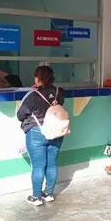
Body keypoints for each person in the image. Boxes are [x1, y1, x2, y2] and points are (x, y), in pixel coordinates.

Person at [16, 65, 65, 206]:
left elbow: (20, 115)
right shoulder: (59, 92)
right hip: (56, 132)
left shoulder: (32, 95)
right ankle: (49, 194)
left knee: (38, 166)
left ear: (37, 78)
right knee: (52, 164)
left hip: (36, 132)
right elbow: (58, 103)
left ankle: (36, 197)